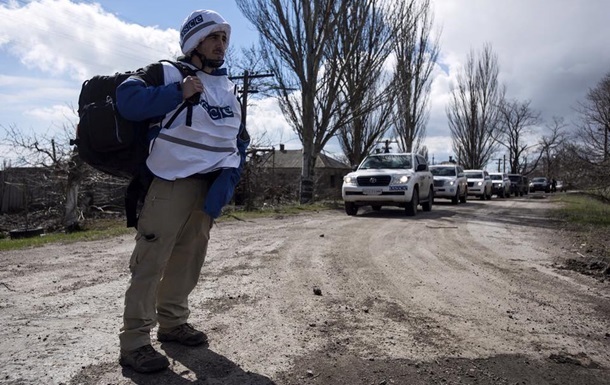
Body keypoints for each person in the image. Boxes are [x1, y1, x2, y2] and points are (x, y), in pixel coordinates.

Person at [115, 9, 249, 373]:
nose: (221, 44)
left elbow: (239, 140)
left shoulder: (228, 88)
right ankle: (135, 342)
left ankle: (172, 324)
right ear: (193, 42)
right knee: (150, 262)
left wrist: (228, 182)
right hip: (168, 184)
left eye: (224, 38)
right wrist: (177, 92)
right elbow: (126, 101)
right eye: (212, 37)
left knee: (189, 259)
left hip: (206, 190)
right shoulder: (167, 72)